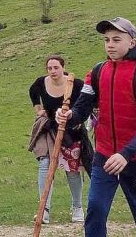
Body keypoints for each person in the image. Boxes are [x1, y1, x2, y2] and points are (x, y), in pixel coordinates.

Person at [56, 17, 136, 237]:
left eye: (116, 39)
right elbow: (81, 111)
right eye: (106, 40)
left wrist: (125, 154)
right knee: (95, 210)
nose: (110, 45)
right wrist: (66, 116)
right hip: (104, 157)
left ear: (132, 42)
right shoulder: (96, 72)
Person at [29, 54, 86, 224]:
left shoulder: (75, 84)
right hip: (50, 131)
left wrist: (78, 120)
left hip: (71, 131)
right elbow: (32, 92)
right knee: (45, 165)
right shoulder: (41, 82)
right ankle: (44, 209)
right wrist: (38, 109)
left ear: (63, 67)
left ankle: (77, 208)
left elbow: (86, 103)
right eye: (49, 68)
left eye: (56, 67)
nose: (53, 71)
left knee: (72, 169)